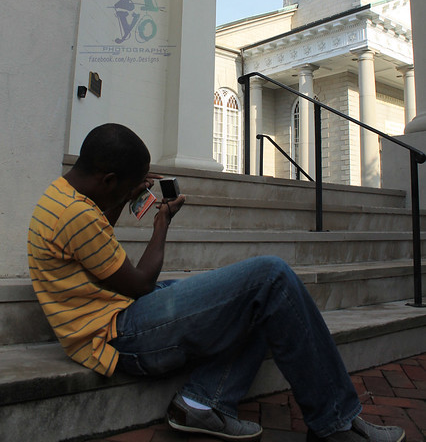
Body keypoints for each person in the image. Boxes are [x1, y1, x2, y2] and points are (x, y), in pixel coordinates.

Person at [28, 123, 405, 442]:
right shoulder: (77, 216)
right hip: (119, 334)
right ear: (108, 179)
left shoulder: (61, 197)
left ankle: (202, 401)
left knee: (258, 299)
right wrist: (162, 223)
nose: (132, 194)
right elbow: (140, 283)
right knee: (271, 276)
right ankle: (335, 423)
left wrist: (123, 195)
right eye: (127, 188)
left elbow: (101, 232)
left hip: (117, 317)